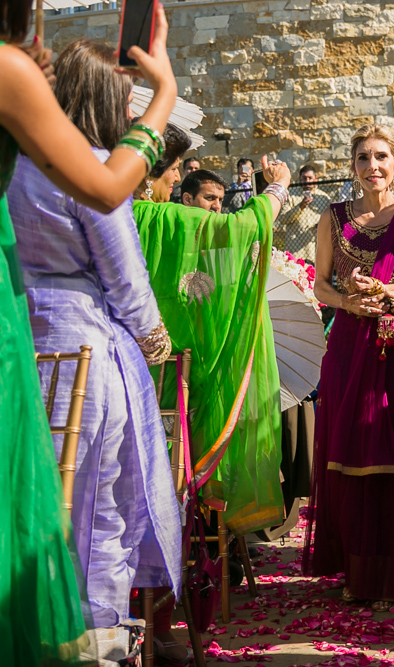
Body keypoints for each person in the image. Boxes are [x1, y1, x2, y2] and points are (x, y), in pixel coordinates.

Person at [0, 2, 176, 663]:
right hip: (80, 348)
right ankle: (98, 638)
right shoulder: (91, 163)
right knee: (103, 504)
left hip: (23, 329)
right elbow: (127, 281)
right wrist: (158, 348)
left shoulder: (18, 164)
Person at [303, 124, 394, 609]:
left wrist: (388, 295)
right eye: (363, 158)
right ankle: (360, 571)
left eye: (382, 157)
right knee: (352, 449)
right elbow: (320, 284)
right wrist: (348, 302)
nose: (373, 166)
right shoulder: (332, 218)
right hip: (348, 346)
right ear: (353, 165)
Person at [135, 137, 290, 537]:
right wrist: (277, 188)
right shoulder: (162, 220)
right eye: (173, 167)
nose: (175, 175)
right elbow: (242, 228)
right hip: (170, 376)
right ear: (149, 172)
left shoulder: (125, 215)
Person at [282, 164, 331, 261]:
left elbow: (331, 222)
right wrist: (300, 206)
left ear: (316, 179)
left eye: (310, 178)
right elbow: (283, 219)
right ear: (299, 179)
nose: (307, 181)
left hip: (316, 249)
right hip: (295, 250)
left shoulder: (324, 198)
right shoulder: (291, 196)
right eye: (304, 178)